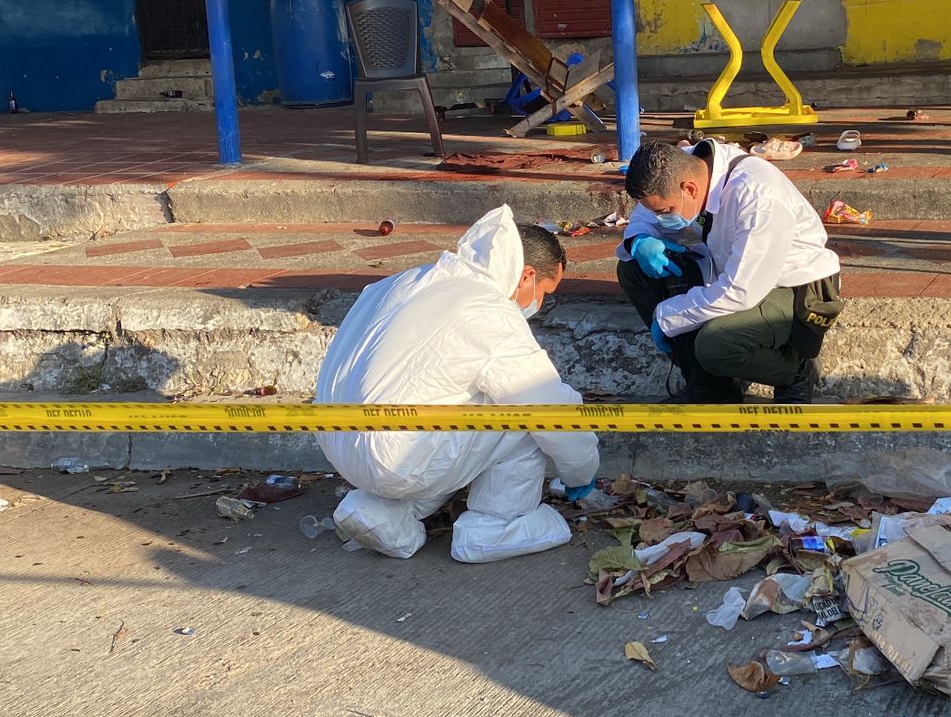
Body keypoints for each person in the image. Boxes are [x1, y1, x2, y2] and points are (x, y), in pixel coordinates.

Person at [313, 205, 599, 562]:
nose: (539, 303)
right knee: (525, 413)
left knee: (454, 406)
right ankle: (495, 528)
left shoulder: (407, 280)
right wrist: (581, 471)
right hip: (396, 457)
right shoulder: (488, 310)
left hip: (339, 445)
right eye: (544, 292)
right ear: (526, 275)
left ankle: (382, 511)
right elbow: (551, 408)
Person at [617, 139, 842, 403]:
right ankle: (711, 386)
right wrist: (639, 240)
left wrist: (667, 316)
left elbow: (740, 291)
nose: (661, 219)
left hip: (792, 285)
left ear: (689, 189)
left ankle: (796, 370)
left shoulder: (758, 196)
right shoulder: (684, 165)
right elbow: (644, 216)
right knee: (633, 270)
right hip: (732, 272)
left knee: (715, 344)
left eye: (666, 212)